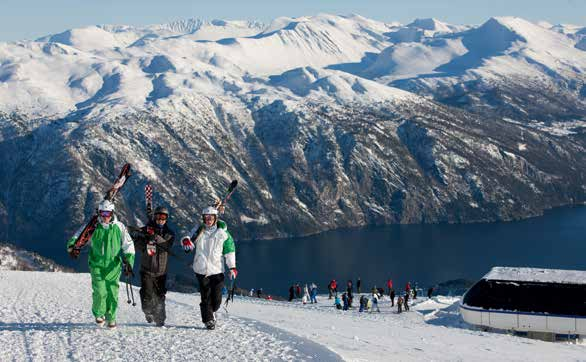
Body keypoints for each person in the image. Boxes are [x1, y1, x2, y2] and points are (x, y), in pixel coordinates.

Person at [67, 200, 135, 329]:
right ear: (99, 213)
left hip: (113, 266)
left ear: (112, 213)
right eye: (103, 213)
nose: (105, 216)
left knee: (112, 292)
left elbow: (128, 245)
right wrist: (72, 246)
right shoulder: (92, 226)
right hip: (96, 264)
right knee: (100, 290)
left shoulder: (119, 227)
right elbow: (78, 236)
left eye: (108, 213)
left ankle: (111, 317)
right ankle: (99, 313)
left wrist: (129, 261)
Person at [181, 206, 237, 330]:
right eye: (206, 218)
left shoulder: (223, 233)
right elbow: (188, 240)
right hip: (201, 270)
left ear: (215, 218)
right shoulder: (198, 230)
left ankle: (213, 312)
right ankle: (208, 320)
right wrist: (185, 242)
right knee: (205, 297)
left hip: (217, 270)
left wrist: (232, 267)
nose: (208, 220)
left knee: (216, 301)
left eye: (211, 217)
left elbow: (230, 250)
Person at [129, 206, 175, 327]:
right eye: (158, 217)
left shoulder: (169, 234)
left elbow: (166, 246)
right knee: (147, 293)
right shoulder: (146, 230)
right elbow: (137, 246)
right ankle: (148, 311)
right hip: (147, 269)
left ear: (167, 219)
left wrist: (154, 236)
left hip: (161, 271)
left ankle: (160, 318)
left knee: (160, 296)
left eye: (163, 217)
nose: (160, 220)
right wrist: (142, 238)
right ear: (154, 217)